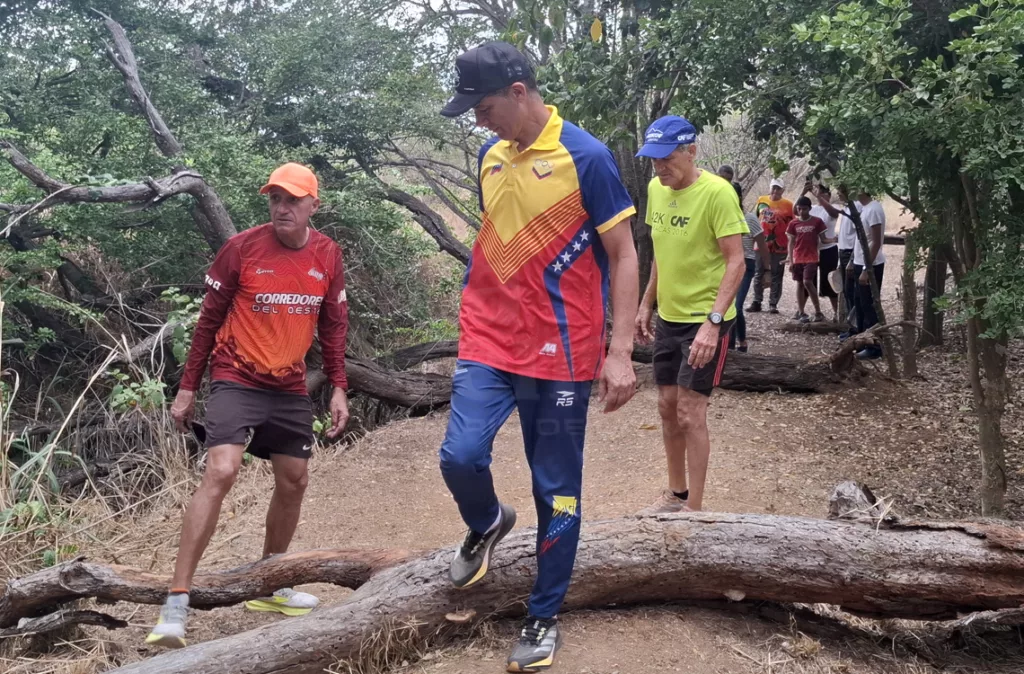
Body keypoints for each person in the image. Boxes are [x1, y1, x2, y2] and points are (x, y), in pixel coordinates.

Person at [437, 41, 639, 672]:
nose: (478, 119)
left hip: (563, 351)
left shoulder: (587, 156)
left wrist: (621, 351)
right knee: (460, 455)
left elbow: (624, 255)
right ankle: (489, 520)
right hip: (489, 339)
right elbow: (504, 242)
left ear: (519, 92)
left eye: (485, 104)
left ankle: (544, 614)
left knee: (558, 491)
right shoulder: (488, 155)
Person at [146, 163, 351, 649]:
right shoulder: (242, 248)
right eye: (275, 199)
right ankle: (176, 602)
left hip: (288, 386)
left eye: (292, 200)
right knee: (221, 471)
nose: (282, 208)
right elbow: (207, 321)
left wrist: (339, 385)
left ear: (312, 206)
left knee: (295, 479)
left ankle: (271, 584)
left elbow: (334, 325)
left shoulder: (327, 254)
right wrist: (187, 387)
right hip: (236, 376)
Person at [634, 115, 747, 515]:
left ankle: (695, 512)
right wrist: (647, 303)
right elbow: (663, 255)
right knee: (666, 405)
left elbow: (737, 263)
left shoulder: (717, 194)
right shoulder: (655, 189)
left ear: (691, 151)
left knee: (689, 410)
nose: (660, 168)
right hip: (670, 315)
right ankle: (676, 494)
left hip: (706, 319)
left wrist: (713, 325)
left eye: (667, 158)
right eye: (653, 160)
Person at [729, 182, 770, 352]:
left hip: (746, 265)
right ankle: (736, 344)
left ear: (738, 197)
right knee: (727, 306)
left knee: (736, 307)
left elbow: (762, 245)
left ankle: (737, 345)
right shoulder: (722, 217)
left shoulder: (750, 218)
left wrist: (767, 271)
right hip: (727, 265)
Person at [786, 196, 834, 322]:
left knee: (807, 281)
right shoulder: (793, 223)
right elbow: (791, 243)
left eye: (804, 209)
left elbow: (823, 239)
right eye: (799, 209)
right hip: (798, 257)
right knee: (800, 283)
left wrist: (834, 239)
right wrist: (791, 261)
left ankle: (818, 311)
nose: (801, 211)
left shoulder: (817, 222)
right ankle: (801, 312)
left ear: (810, 209)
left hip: (812, 257)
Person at [850, 191, 887, 359]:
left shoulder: (874, 209)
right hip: (859, 262)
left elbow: (876, 241)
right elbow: (860, 239)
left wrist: (866, 268)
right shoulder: (863, 208)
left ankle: (875, 348)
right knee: (859, 303)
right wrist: (853, 261)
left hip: (871, 265)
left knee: (869, 305)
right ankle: (861, 341)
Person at [748, 178, 793, 314]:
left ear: (782, 190)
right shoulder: (761, 200)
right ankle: (757, 301)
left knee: (776, 274)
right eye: (773, 187)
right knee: (758, 272)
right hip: (761, 243)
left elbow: (792, 225)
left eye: (778, 188)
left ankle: (773, 303)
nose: (775, 191)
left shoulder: (788, 205)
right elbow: (756, 219)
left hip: (779, 245)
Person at [805, 183, 840, 318]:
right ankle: (816, 311)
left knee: (830, 281)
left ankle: (836, 313)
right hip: (812, 250)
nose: (819, 195)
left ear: (828, 195)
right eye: (818, 192)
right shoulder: (812, 208)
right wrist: (804, 191)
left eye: (822, 193)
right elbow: (796, 210)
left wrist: (819, 197)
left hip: (828, 249)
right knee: (809, 281)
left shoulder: (833, 208)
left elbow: (833, 214)